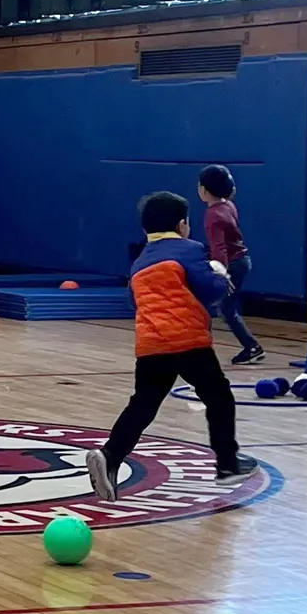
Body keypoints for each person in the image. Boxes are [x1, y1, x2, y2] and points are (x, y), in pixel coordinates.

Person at [85, 192, 260, 501]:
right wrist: (220, 273)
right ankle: (227, 463)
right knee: (218, 397)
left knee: (143, 405)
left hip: (151, 344)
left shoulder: (139, 262)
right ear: (182, 225)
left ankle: (110, 455)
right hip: (187, 339)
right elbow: (211, 291)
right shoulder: (191, 250)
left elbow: (134, 301)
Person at [198, 164, 263, 364]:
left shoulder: (212, 216)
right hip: (242, 261)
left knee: (224, 309)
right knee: (226, 308)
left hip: (232, 264)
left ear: (205, 190)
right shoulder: (228, 206)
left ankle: (251, 346)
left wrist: (221, 274)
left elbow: (219, 247)